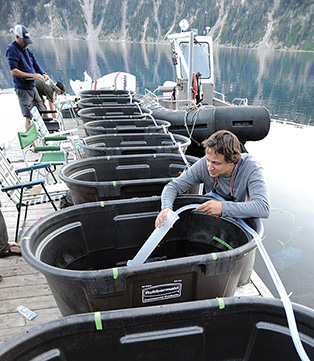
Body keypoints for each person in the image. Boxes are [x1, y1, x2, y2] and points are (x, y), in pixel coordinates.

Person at [155, 129, 270, 227]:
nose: (209, 167)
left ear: (232, 162)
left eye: (216, 163)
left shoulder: (252, 168)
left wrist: (222, 207)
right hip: (214, 214)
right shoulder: (204, 164)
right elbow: (173, 186)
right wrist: (166, 208)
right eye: (208, 160)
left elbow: (263, 207)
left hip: (241, 218)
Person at [6, 24, 49, 130]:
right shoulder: (12, 49)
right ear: (17, 37)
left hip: (32, 86)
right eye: (24, 41)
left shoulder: (28, 50)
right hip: (22, 88)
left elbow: (35, 64)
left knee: (41, 110)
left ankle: (40, 134)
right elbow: (13, 71)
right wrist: (33, 75)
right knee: (28, 117)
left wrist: (43, 73)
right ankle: (33, 144)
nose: (27, 44)